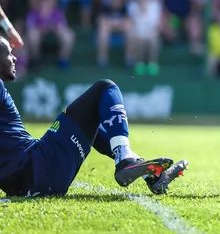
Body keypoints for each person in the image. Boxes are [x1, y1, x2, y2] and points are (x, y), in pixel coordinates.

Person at [0, 13, 187, 197]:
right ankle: (125, 159)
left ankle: (150, 172)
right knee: (105, 88)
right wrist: (7, 26)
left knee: (88, 121)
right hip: (40, 168)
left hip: (25, 185)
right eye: (9, 54)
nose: (14, 58)